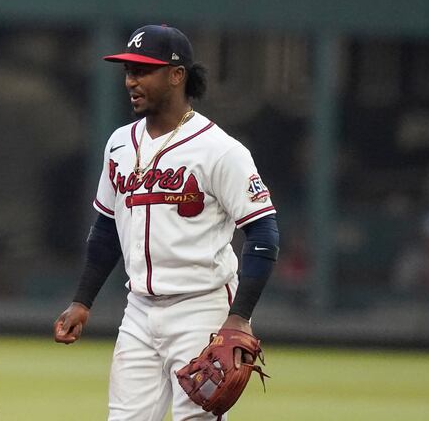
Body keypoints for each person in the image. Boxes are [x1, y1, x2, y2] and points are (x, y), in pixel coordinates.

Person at [53, 24, 280, 420]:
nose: (131, 80)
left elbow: (263, 234)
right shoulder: (119, 143)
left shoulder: (220, 150)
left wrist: (239, 317)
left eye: (143, 71)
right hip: (138, 308)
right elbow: (106, 228)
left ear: (177, 75)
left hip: (201, 306)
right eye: (128, 71)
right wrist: (82, 300)